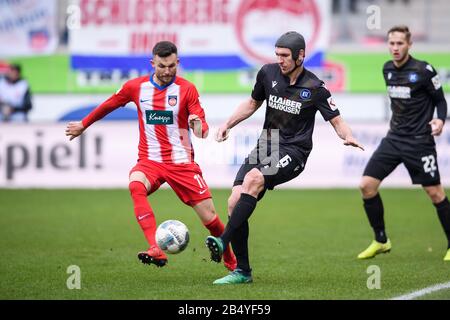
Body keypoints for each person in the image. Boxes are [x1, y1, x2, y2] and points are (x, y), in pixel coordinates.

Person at [205, 31, 364, 284]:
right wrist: (228, 124)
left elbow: (337, 120)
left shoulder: (316, 88)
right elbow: (252, 103)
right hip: (266, 145)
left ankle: (223, 241)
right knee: (235, 201)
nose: (280, 60)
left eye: (285, 56)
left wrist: (348, 136)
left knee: (255, 178)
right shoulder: (267, 73)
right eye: (277, 55)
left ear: (301, 56)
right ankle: (243, 272)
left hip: (294, 151)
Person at [65, 41, 237, 270]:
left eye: (172, 66)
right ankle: (155, 249)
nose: (167, 71)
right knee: (135, 184)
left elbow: (202, 130)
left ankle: (231, 260)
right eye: (162, 66)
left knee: (211, 220)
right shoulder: (136, 87)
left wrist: (198, 126)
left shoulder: (187, 89)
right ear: (152, 63)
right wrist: (83, 124)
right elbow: (109, 104)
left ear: (178, 63)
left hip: (181, 162)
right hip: (150, 160)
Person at [357, 25, 450, 261]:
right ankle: (381, 240)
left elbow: (440, 101)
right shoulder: (387, 69)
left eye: (400, 43)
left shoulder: (424, 70)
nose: (395, 48)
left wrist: (439, 120)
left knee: (435, 193)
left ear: (409, 45)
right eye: (391, 43)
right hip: (393, 139)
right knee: (366, 186)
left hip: (419, 142)